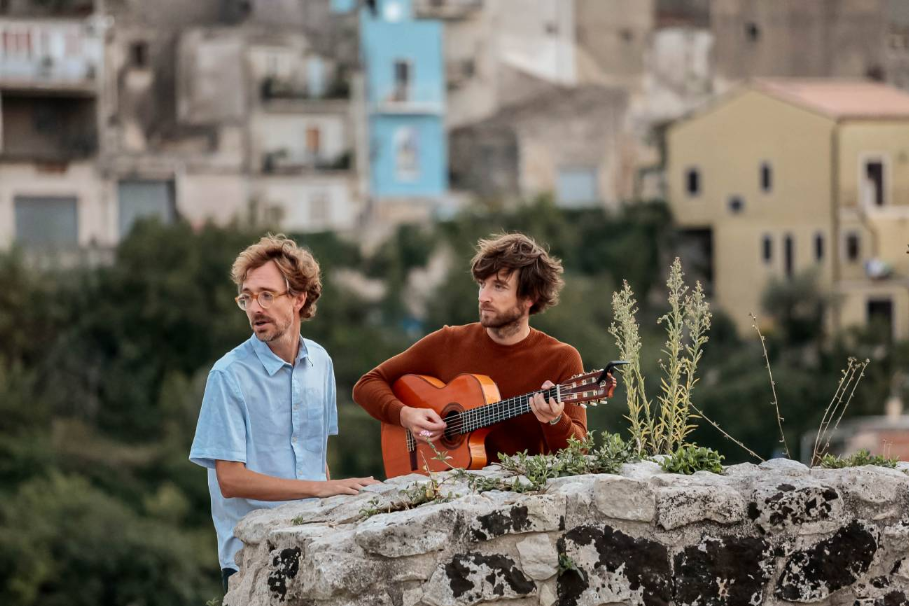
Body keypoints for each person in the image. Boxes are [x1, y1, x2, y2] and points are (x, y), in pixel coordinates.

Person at [190, 235, 379, 592]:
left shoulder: (321, 363)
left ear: (298, 298)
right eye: (246, 297)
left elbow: (316, 457)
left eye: (266, 295)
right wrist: (321, 489)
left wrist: (329, 499)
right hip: (251, 560)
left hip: (313, 546)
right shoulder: (228, 376)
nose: (254, 308)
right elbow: (230, 481)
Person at [353, 232, 588, 462]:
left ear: (530, 297)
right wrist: (406, 415)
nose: (483, 297)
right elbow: (366, 384)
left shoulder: (562, 358)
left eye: (498, 286)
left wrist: (556, 420)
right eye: (482, 284)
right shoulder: (449, 342)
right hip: (444, 488)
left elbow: (579, 455)